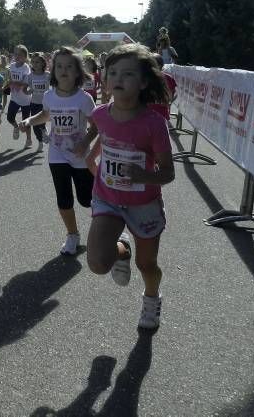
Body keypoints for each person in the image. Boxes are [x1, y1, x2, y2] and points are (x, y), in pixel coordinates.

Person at [75, 43, 174, 330]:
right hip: (107, 198)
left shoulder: (154, 124)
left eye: (128, 74)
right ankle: (121, 249)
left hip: (144, 204)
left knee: (147, 265)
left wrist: (144, 177)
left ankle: (152, 300)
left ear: (143, 82)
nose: (117, 78)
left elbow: (168, 173)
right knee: (96, 263)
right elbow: (96, 128)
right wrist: (85, 142)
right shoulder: (102, 113)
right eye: (113, 72)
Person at [19, 47, 95, 255]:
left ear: (78, 72)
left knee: (86, 199)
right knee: (64, 198)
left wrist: (86, 140)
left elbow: (96, 125)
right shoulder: (49, 96)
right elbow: (46, 115)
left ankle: (107, 225)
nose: (64, 70)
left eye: (69, 66)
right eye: (59, 66)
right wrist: (29, 120)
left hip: (80, 156)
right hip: (57, 153)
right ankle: (73, 235)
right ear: (53, 71)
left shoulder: (84, 99)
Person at [5, 45, 33, 149]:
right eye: (15, 54)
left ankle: (29, 139)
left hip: (25, 99)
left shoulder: (26, 67)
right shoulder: (11, 66)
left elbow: (26, 83)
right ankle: (16, 127)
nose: (17, 56)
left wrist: (15, 83)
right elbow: (10, 79)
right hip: (14, 97)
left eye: (20, 55)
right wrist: (5, 86)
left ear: (25, 56)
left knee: (26, 122)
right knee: (9, 118)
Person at [27, 52, 51, 152]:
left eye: (37, 62)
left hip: (45, 103)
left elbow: (53, 88)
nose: (35, 64)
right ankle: (40, 142)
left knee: (41, 122)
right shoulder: (30, 76)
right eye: (33, 62)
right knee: (35, 123)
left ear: (43, 63)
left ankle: (44, 131)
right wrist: (27, 91)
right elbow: (29, 89)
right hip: (34, 102)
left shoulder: (48, 75)